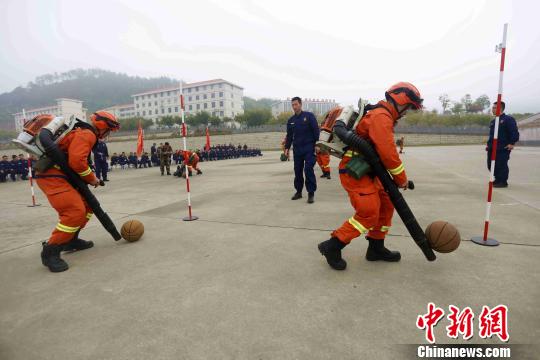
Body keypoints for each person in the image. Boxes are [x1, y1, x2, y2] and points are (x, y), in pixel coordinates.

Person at [318, 82, 422, 270]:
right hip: (355, 170)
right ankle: (333, 245)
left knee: (386, 206)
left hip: (370, 171)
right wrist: (402, 179)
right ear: (401, 101)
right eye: (408, 107)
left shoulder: (384, 115)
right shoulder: (381, 117)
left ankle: (376, 248)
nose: (407, 111)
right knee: (369, 212)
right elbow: (389, 154)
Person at [35, 111, 120, 272]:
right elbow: (77, 162)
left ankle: (70, 240)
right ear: (103, 127)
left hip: (62, 175)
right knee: (74, 212)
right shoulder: (88, 134)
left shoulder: (83, 131)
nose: (108, 134)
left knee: (87, 207)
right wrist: (93, 179)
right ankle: (50, 252)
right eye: (109, 130)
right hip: (53, 176)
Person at [284, 97, 319, 203]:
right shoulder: (291, 121)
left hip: (309, 148)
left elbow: (316, 131)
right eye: (293, 105)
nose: (294, 107)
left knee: (308, 169)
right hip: (297, 149)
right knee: (297, 171)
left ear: (300, 104)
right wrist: (286, 148)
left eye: (296, 104)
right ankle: (298, 192)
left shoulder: (309, 116)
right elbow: (289, 136)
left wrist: (317, 144)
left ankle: (311, 193)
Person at [486, 101, 519, 188]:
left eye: (494, 107)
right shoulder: (493, 121)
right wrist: (488, 145)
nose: (492, 109)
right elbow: (492, 135)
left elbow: (514, 132)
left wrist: (512, 143)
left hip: (503, 147)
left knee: (501, 164)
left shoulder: (508, 119)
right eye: (492, 107)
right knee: (490, 165)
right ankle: (497, 179)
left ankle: (503, 181)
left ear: (500, 108)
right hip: (492, 147)